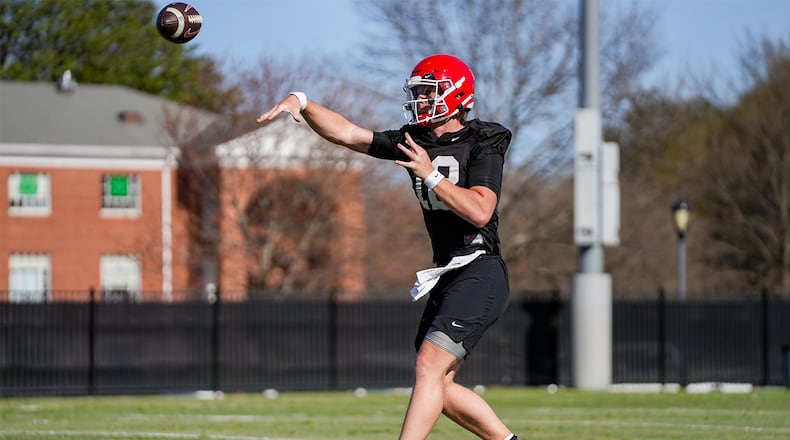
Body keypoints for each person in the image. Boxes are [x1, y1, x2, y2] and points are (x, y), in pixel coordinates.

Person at [257, 54, 519, 440]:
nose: (421, 101)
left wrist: (430, 174)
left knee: (429, 367)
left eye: (429, 93)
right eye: (419, 93)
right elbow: (349, 134)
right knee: (438, 386)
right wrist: (304, 101)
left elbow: (481, 211)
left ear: (457, 95)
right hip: (446, 273)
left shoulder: (484, 139)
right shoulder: (414, 139)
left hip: (480, 268)